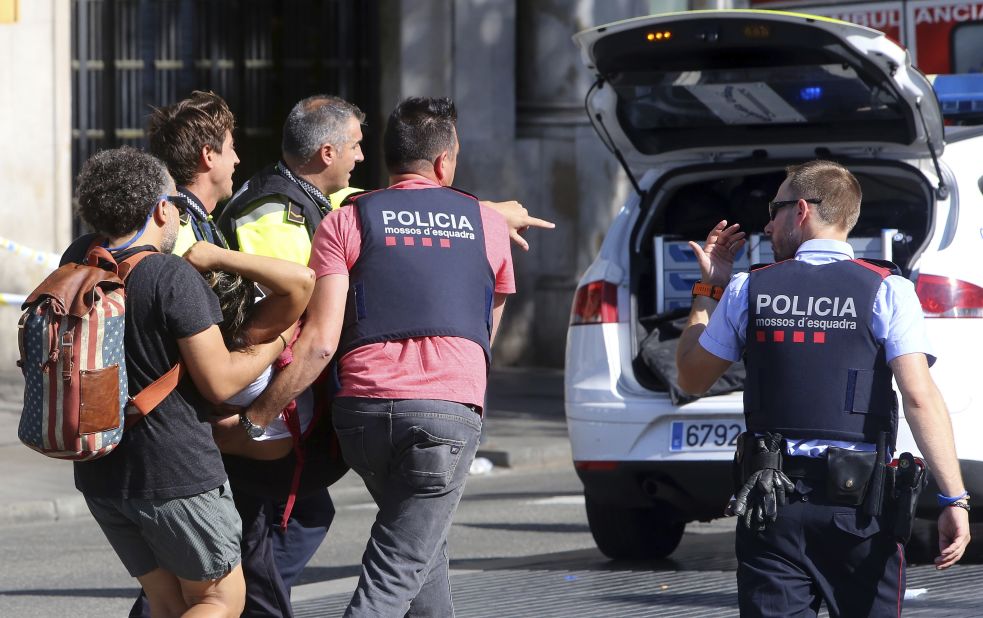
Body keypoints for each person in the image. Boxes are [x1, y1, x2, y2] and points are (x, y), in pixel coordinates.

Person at [242, 96, 515, 616]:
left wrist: (259, 414)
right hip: (444, 416)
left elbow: (321, 341)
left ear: (388, 159)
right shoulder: (487, 224)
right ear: (444, 162)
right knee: (395, 570)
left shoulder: (346, 221)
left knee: (419, 548)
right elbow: (484, 333)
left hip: (362, 418)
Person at [675, 160, 970, 616]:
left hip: (770, 508)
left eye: (775, 208)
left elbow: (691, 377)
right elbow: (919, 396)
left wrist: (706, 290)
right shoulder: (888, 290)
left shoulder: (746, 288)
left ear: (801, 212)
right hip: (860, 513)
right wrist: (954, 498)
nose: (767, 223)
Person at [64, 147, 291, 618]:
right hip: (173, 470)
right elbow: (221, 382)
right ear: (162, 209)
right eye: (175, 204)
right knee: (218, 600)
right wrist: (278, 342)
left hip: (100, 468)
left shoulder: (77, 259)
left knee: (168, 605)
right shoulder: (169, 275)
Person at [147, 90, 239, 255]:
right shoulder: (177, 234)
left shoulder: (194, 222)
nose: (236, 159)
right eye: (231, 147)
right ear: (208, 155)